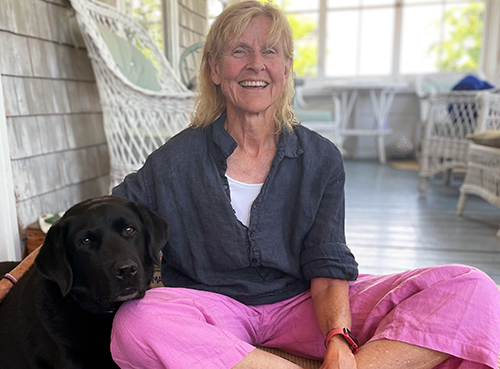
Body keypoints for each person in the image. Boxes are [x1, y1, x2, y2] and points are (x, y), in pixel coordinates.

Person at [1, 2, 499, 369]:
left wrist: (340, 340)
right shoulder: (176, 159)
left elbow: (327, 264)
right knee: (137, 325)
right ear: (216, 70)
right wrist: (10, 279)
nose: (256, 63)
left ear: (285, 71)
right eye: (239, 51)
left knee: (470, 288)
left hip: (299, 302)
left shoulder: (320, 157)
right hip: (208, 308)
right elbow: (90, 220)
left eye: (271, 52)